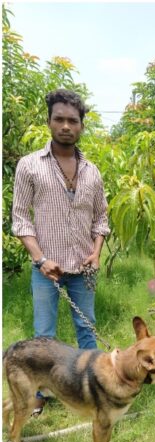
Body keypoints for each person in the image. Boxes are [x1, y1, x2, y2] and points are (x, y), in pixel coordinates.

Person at [12, 88, 110, 355]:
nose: (66, 126)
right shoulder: (29, 165)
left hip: (84, 268)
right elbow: (20, 219)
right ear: (49, 122)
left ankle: (92, 386)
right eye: (59, 119)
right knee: (44, 335)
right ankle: (43, 393)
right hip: (46, 269)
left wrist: (96, 253)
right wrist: (40, 260)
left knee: (87, 327)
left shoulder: (92, 172)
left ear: (81, 126)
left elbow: (101, 218)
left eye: (73, 121)